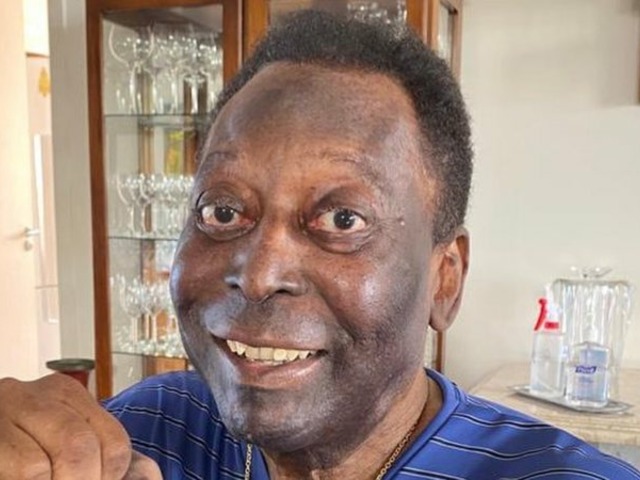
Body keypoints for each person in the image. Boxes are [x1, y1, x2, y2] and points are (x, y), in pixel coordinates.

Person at [0, 10, 639, 480]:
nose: (259, 273)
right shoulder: (143, 434)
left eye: (342, 219)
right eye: (223, 211)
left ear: (445, 279)